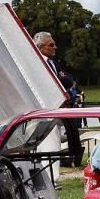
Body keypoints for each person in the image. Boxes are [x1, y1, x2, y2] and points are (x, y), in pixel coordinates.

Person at [34, 31, 84, 166]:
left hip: (57, 108)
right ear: (40, 48)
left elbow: (68, 80)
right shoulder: (36, 64)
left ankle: (55, 173)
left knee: (56, 138)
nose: (55, 47)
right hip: (43, 109)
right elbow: (62, 81)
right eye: (51, 45)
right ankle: (50, 175)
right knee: (48, 140)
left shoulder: (53, 63)